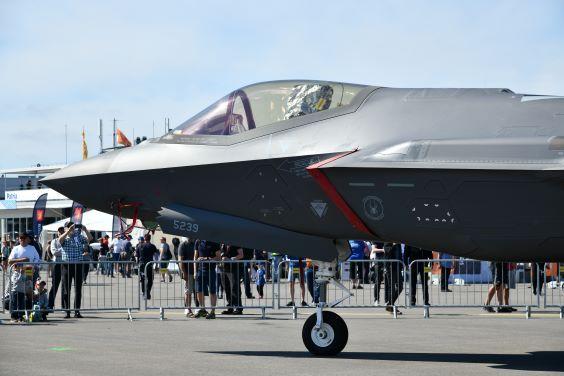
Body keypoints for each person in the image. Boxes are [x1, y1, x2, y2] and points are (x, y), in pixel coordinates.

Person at [58, 222, 92, 318]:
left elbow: (89, 239)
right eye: (69, 227)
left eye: (72, 226)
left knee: (78, 289)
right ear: (65, 228)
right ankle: (67, 311)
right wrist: (68, 231)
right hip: (66, 265)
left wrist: (85, 230)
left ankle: (77, 311)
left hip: (78, 264)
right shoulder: (64, 236)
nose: (72, 228)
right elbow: (60, 241)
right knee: (66, 289)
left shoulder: (78, 236)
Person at [8, 232, 40, 321]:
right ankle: (14, 316)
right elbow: (10, 261)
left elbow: (37, 260)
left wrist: (34, 267)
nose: (21, 240)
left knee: (28, 294)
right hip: (18, 272)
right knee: (17, 294)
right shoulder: (16, 248)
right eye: (20, 238)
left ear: (28, 239)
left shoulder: (32, 248)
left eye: (23, 238)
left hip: (29, 271)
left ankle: (23, 315)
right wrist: (22, 260)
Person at [194, 239, 221, 319]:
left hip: (211, 270)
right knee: (199, 290)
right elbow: (195, 257)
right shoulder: (198, 241)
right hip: (200, 270)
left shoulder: (215, 242)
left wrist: (207, 259)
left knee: (212, 291)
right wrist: (195, 271)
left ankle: (212, 311)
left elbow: (218, 257)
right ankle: (202, 309)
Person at [221, 244, 244, 315]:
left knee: (235, 288)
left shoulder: (236, 243)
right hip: (225, 269)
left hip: (234, 269)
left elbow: (241, 255)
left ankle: (238, 308)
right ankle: (230, 307)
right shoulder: (223, 244)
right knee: (227, 288)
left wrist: (232, 258)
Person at [383, 242, 404, 314]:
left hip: (398, 268)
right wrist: (393, 245)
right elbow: (387, 253)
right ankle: (391, 306)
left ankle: (390, 304)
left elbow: (400, 255)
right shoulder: (387, 243)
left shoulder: (398, 244)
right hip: (390, 268)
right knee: (391, 287)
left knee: (400, 287)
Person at [178, 237, 197, 317]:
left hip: (196, 271)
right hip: (188, 271)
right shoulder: (183, 245)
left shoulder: (195, 244)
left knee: (197, 291)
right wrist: (184, 272)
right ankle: (187, 308)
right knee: (188, 291)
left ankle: (198, 308)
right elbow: (180, 260)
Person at [47, 227, 65, 311]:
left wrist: (61, 251)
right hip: (56, 264)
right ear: (57, 232)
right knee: (55, 285)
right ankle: (50, 305)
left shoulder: (67, 240)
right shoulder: (54, 241)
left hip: (65, 264)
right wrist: (65, 251)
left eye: (62, 231)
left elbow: (58, 252)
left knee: (65, 286)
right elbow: (54, 252)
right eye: (59, 231)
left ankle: (64, 306)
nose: (61, 233)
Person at [138, 233, 158, 300]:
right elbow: (155, 256)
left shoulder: (140, 246)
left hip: (142, 265)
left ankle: (144, 293)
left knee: (143, 279)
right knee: (150, 279)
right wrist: (156, 264)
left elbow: (136, 255)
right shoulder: (152, 246)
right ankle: (148, 291)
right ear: (150, 238)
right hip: (149, 265)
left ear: (144, 238)